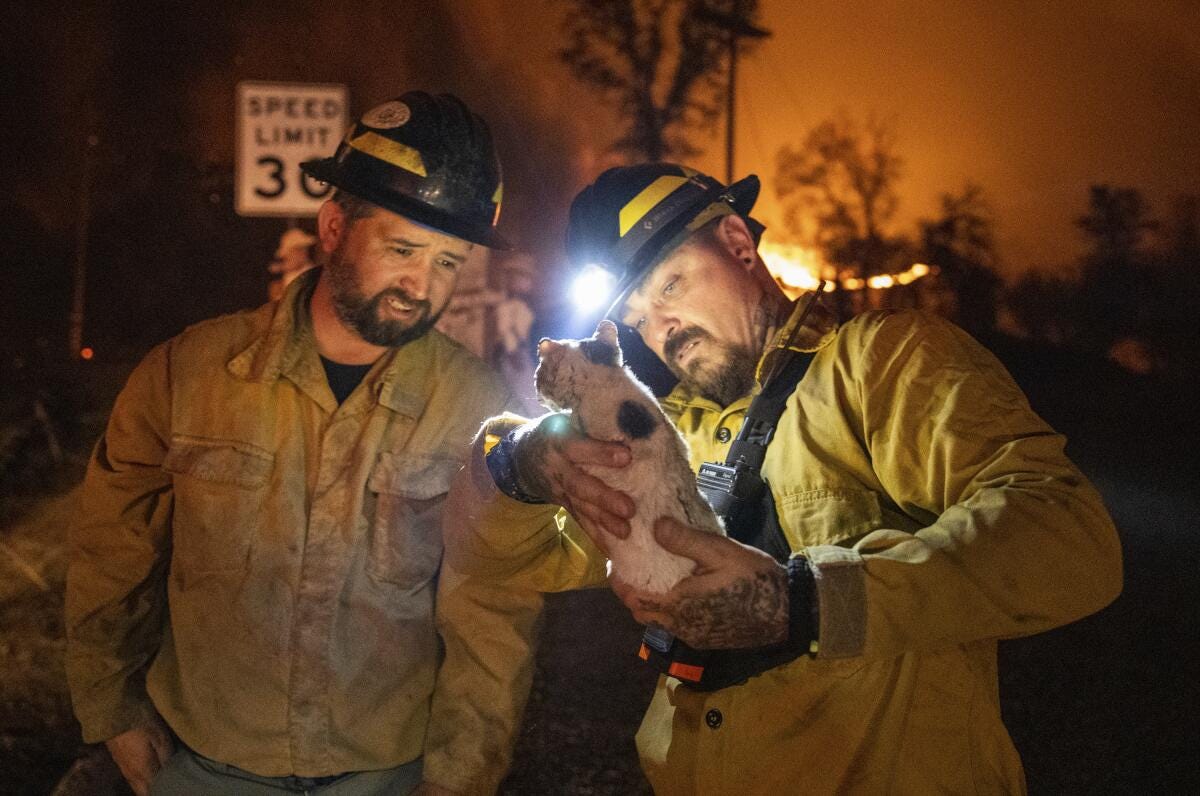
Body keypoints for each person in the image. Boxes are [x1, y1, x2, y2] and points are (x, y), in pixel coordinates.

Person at [439, 163, 1123, 793]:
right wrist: (519, 466)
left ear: (738, 243)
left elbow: (1067, 535)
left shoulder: (882, 366)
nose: (663, 327)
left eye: (670, 285)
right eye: (639, 316)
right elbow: (497, 558)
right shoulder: (661, 435)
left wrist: (805, 604)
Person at [65, 92, 535, 795]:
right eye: (403, 249)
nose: (421, 285)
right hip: (202, 764)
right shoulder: (188, 375)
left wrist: (460, 778)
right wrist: (114, 712)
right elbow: (114, 552)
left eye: (447, 262)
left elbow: (492, 615)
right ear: (335, 226)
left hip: (385, 773)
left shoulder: (477, 410)